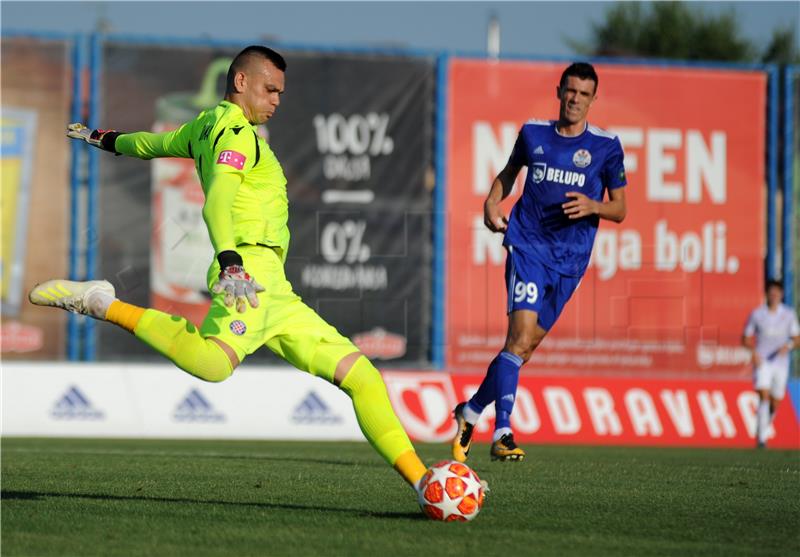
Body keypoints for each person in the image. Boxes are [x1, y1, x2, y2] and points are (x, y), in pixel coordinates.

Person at [29, 45, 429, 491]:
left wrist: (102, 138)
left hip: (276, 289)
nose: (277, 100)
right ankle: (101, 302)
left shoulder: (205, 126)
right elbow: (218, 198)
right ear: (241, 82)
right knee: (212, 365)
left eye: (281, 92)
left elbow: (150, 145)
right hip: (249, 271)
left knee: (362, 377)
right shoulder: (235, 133)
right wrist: (231, 262)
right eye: (270, 89)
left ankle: (423, 483)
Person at [451, 62, 627, 462]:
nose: (575, 99)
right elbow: (509, 174)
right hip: (527, 245)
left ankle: (471, 410)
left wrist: (593, 205)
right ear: (558, 91)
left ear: (593, 99)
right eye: (570, 91)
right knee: (518, 338)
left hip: (571, 261)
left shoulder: (606, 146)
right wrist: (491, 202)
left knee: (524, 348)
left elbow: (619, 210)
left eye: (584, 94)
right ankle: (503, 431)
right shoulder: (534, 134)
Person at [742, 279, 800, 449]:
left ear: (781, 295)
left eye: (777, 293)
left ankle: (763, 427)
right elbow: (745, 338)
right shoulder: (757, 314)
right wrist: (753, 353)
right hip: (763, 362)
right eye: (771, 293)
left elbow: (797, 339)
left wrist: (788, 345)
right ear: (767, 294)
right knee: (763, 395)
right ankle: (761, 439)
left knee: (775, 401)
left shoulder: (788, 314)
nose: (774, 296)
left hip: (780, 364)